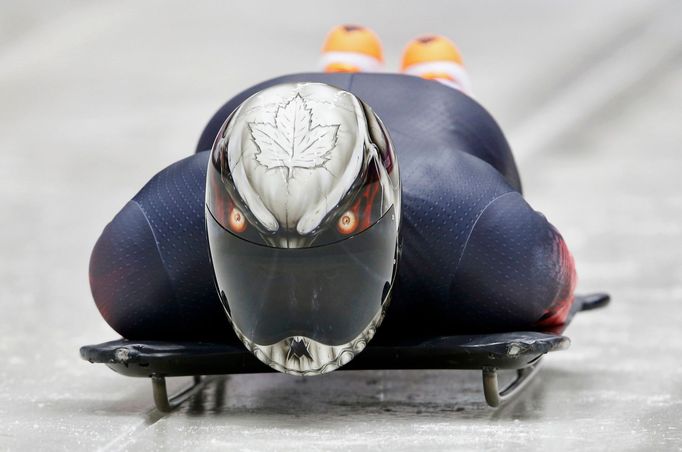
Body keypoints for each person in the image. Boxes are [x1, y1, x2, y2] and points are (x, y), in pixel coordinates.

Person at [89, 26, 576, 372]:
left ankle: (428, 81)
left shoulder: (480, 228)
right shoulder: (144, 251)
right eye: (260, 254)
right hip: (264, 110)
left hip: (438, 117)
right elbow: (555, 294)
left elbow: (552, 283)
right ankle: (400, 68)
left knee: (440, 104)